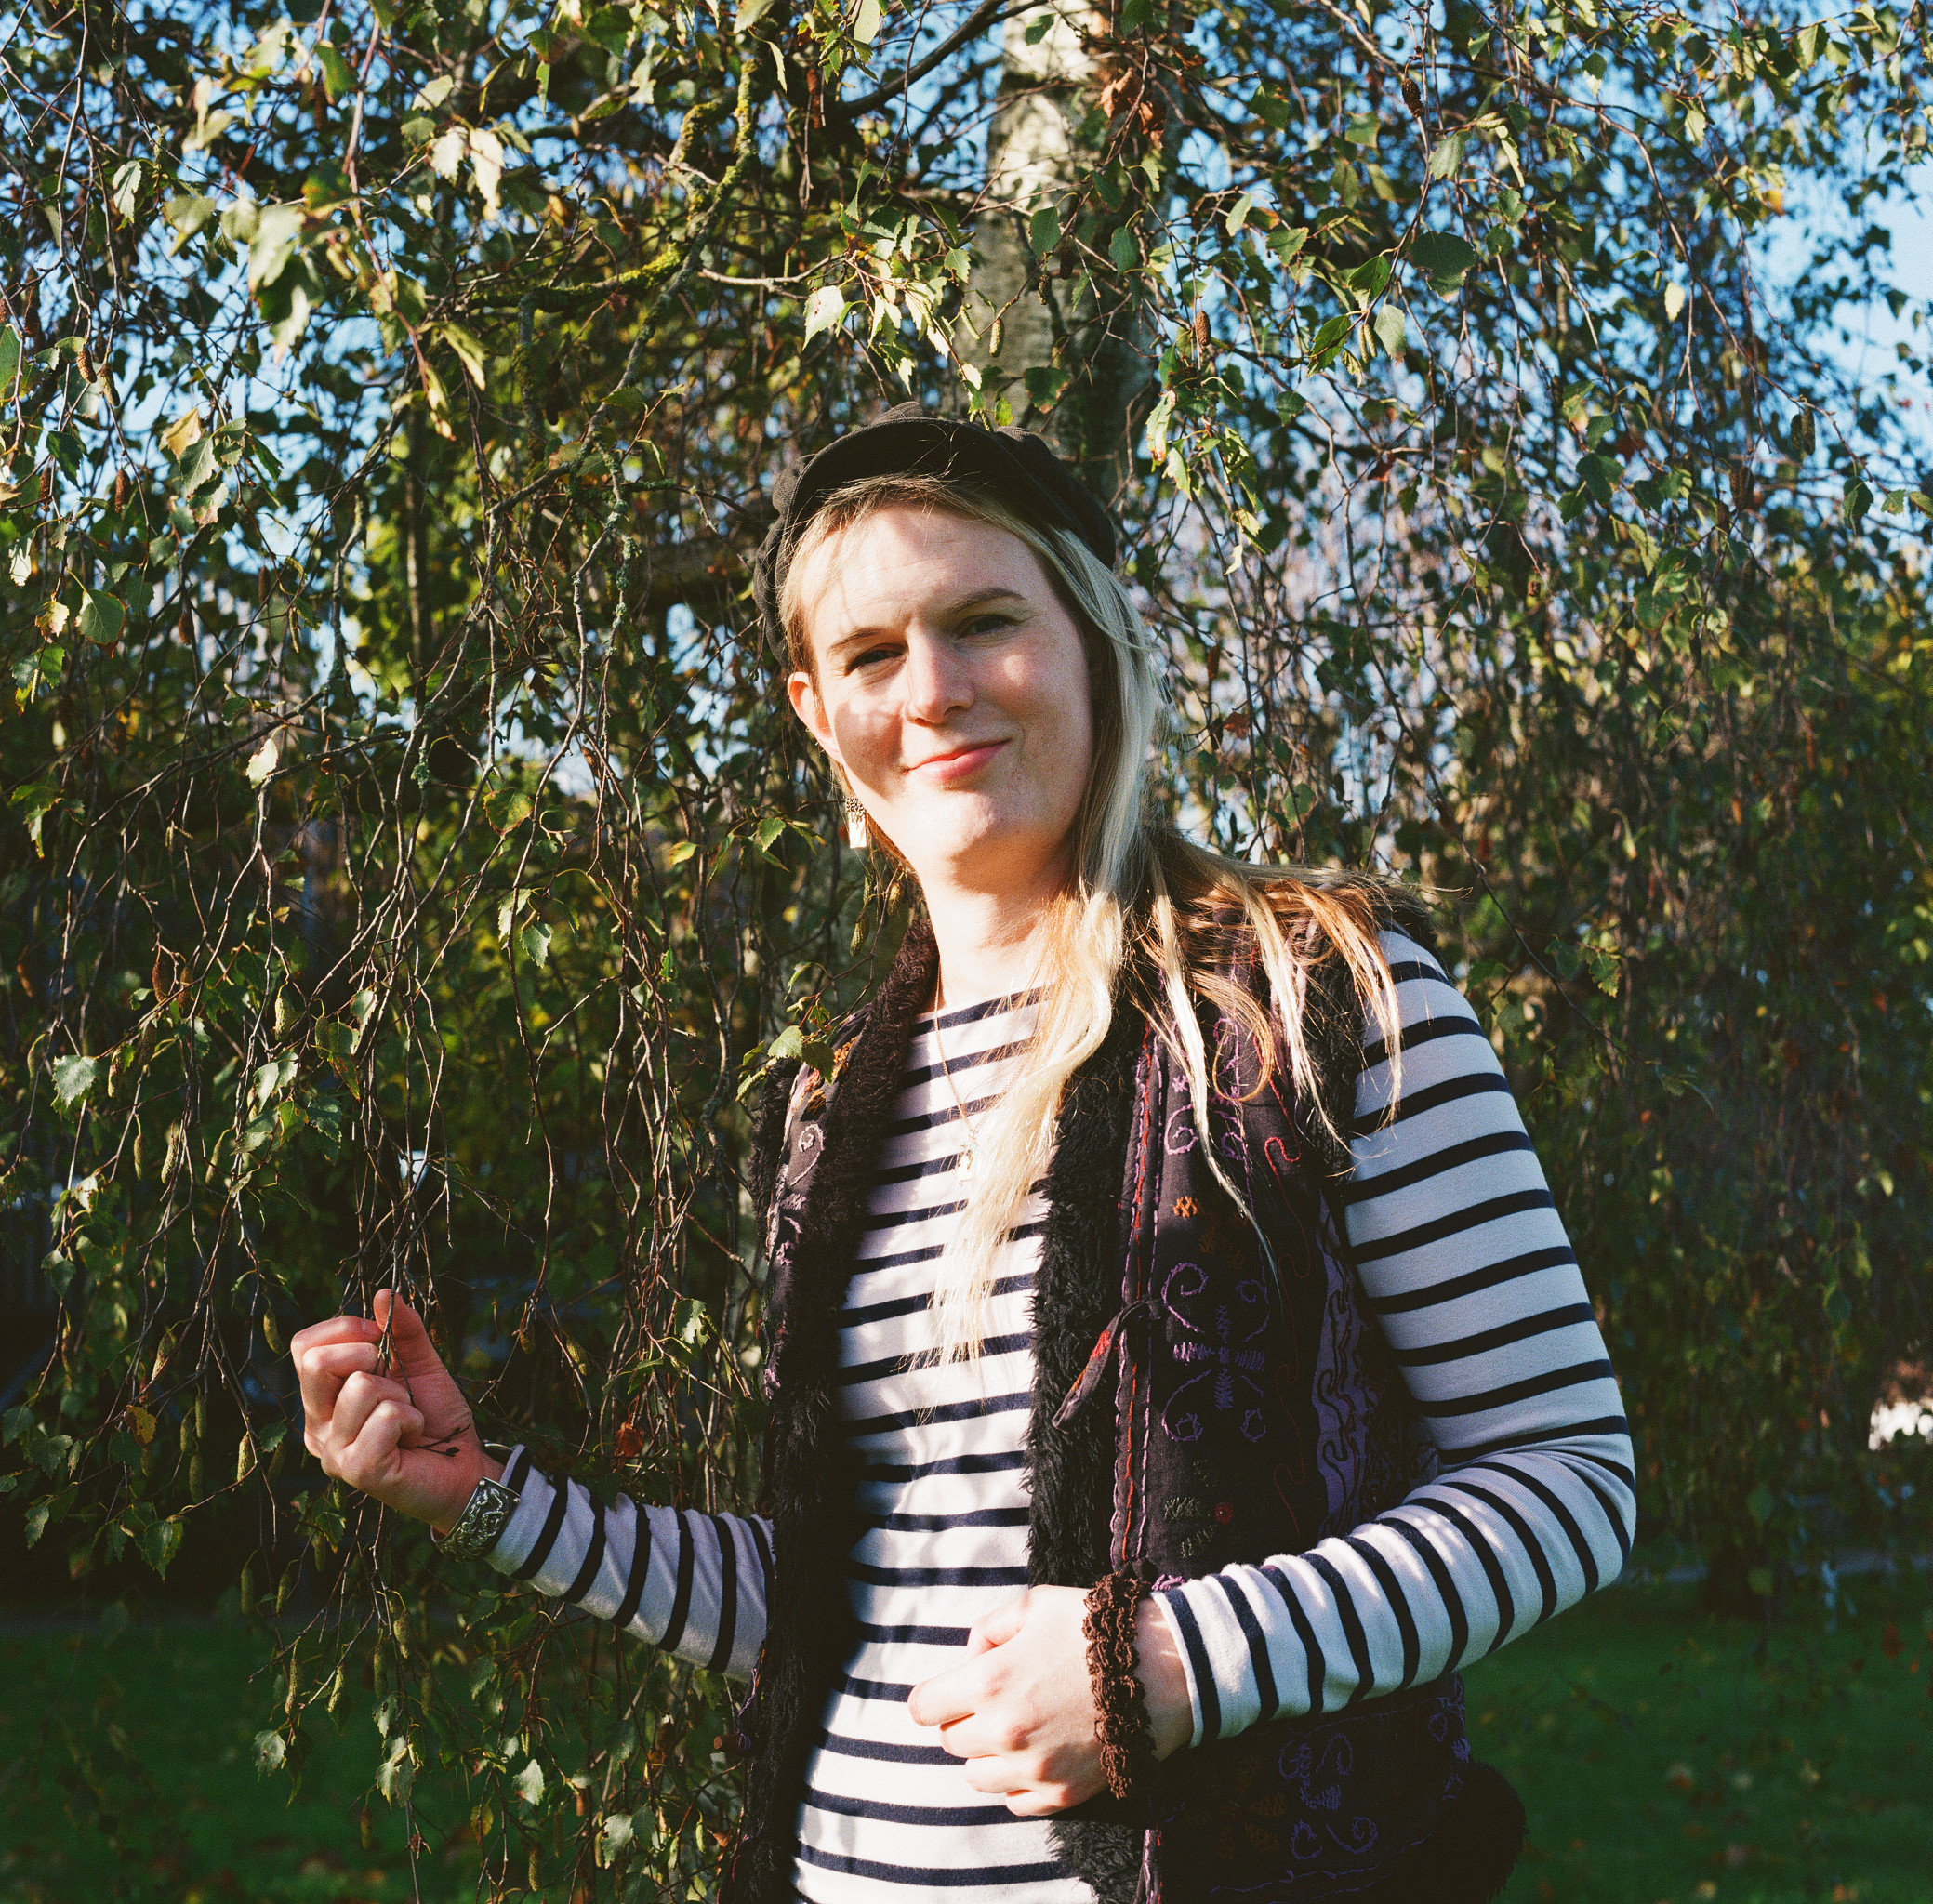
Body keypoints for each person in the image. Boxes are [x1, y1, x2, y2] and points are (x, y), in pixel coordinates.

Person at [293, 405, 1635, 1904]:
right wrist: (482, 1496)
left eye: (984, 621)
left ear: (1095, 639)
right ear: (818, 712)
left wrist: (1173, 1664)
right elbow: (834, 1601)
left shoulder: (1319, 1002)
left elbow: (1566, 1479)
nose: (930, 691)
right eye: (871, 654)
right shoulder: (832, 1104)